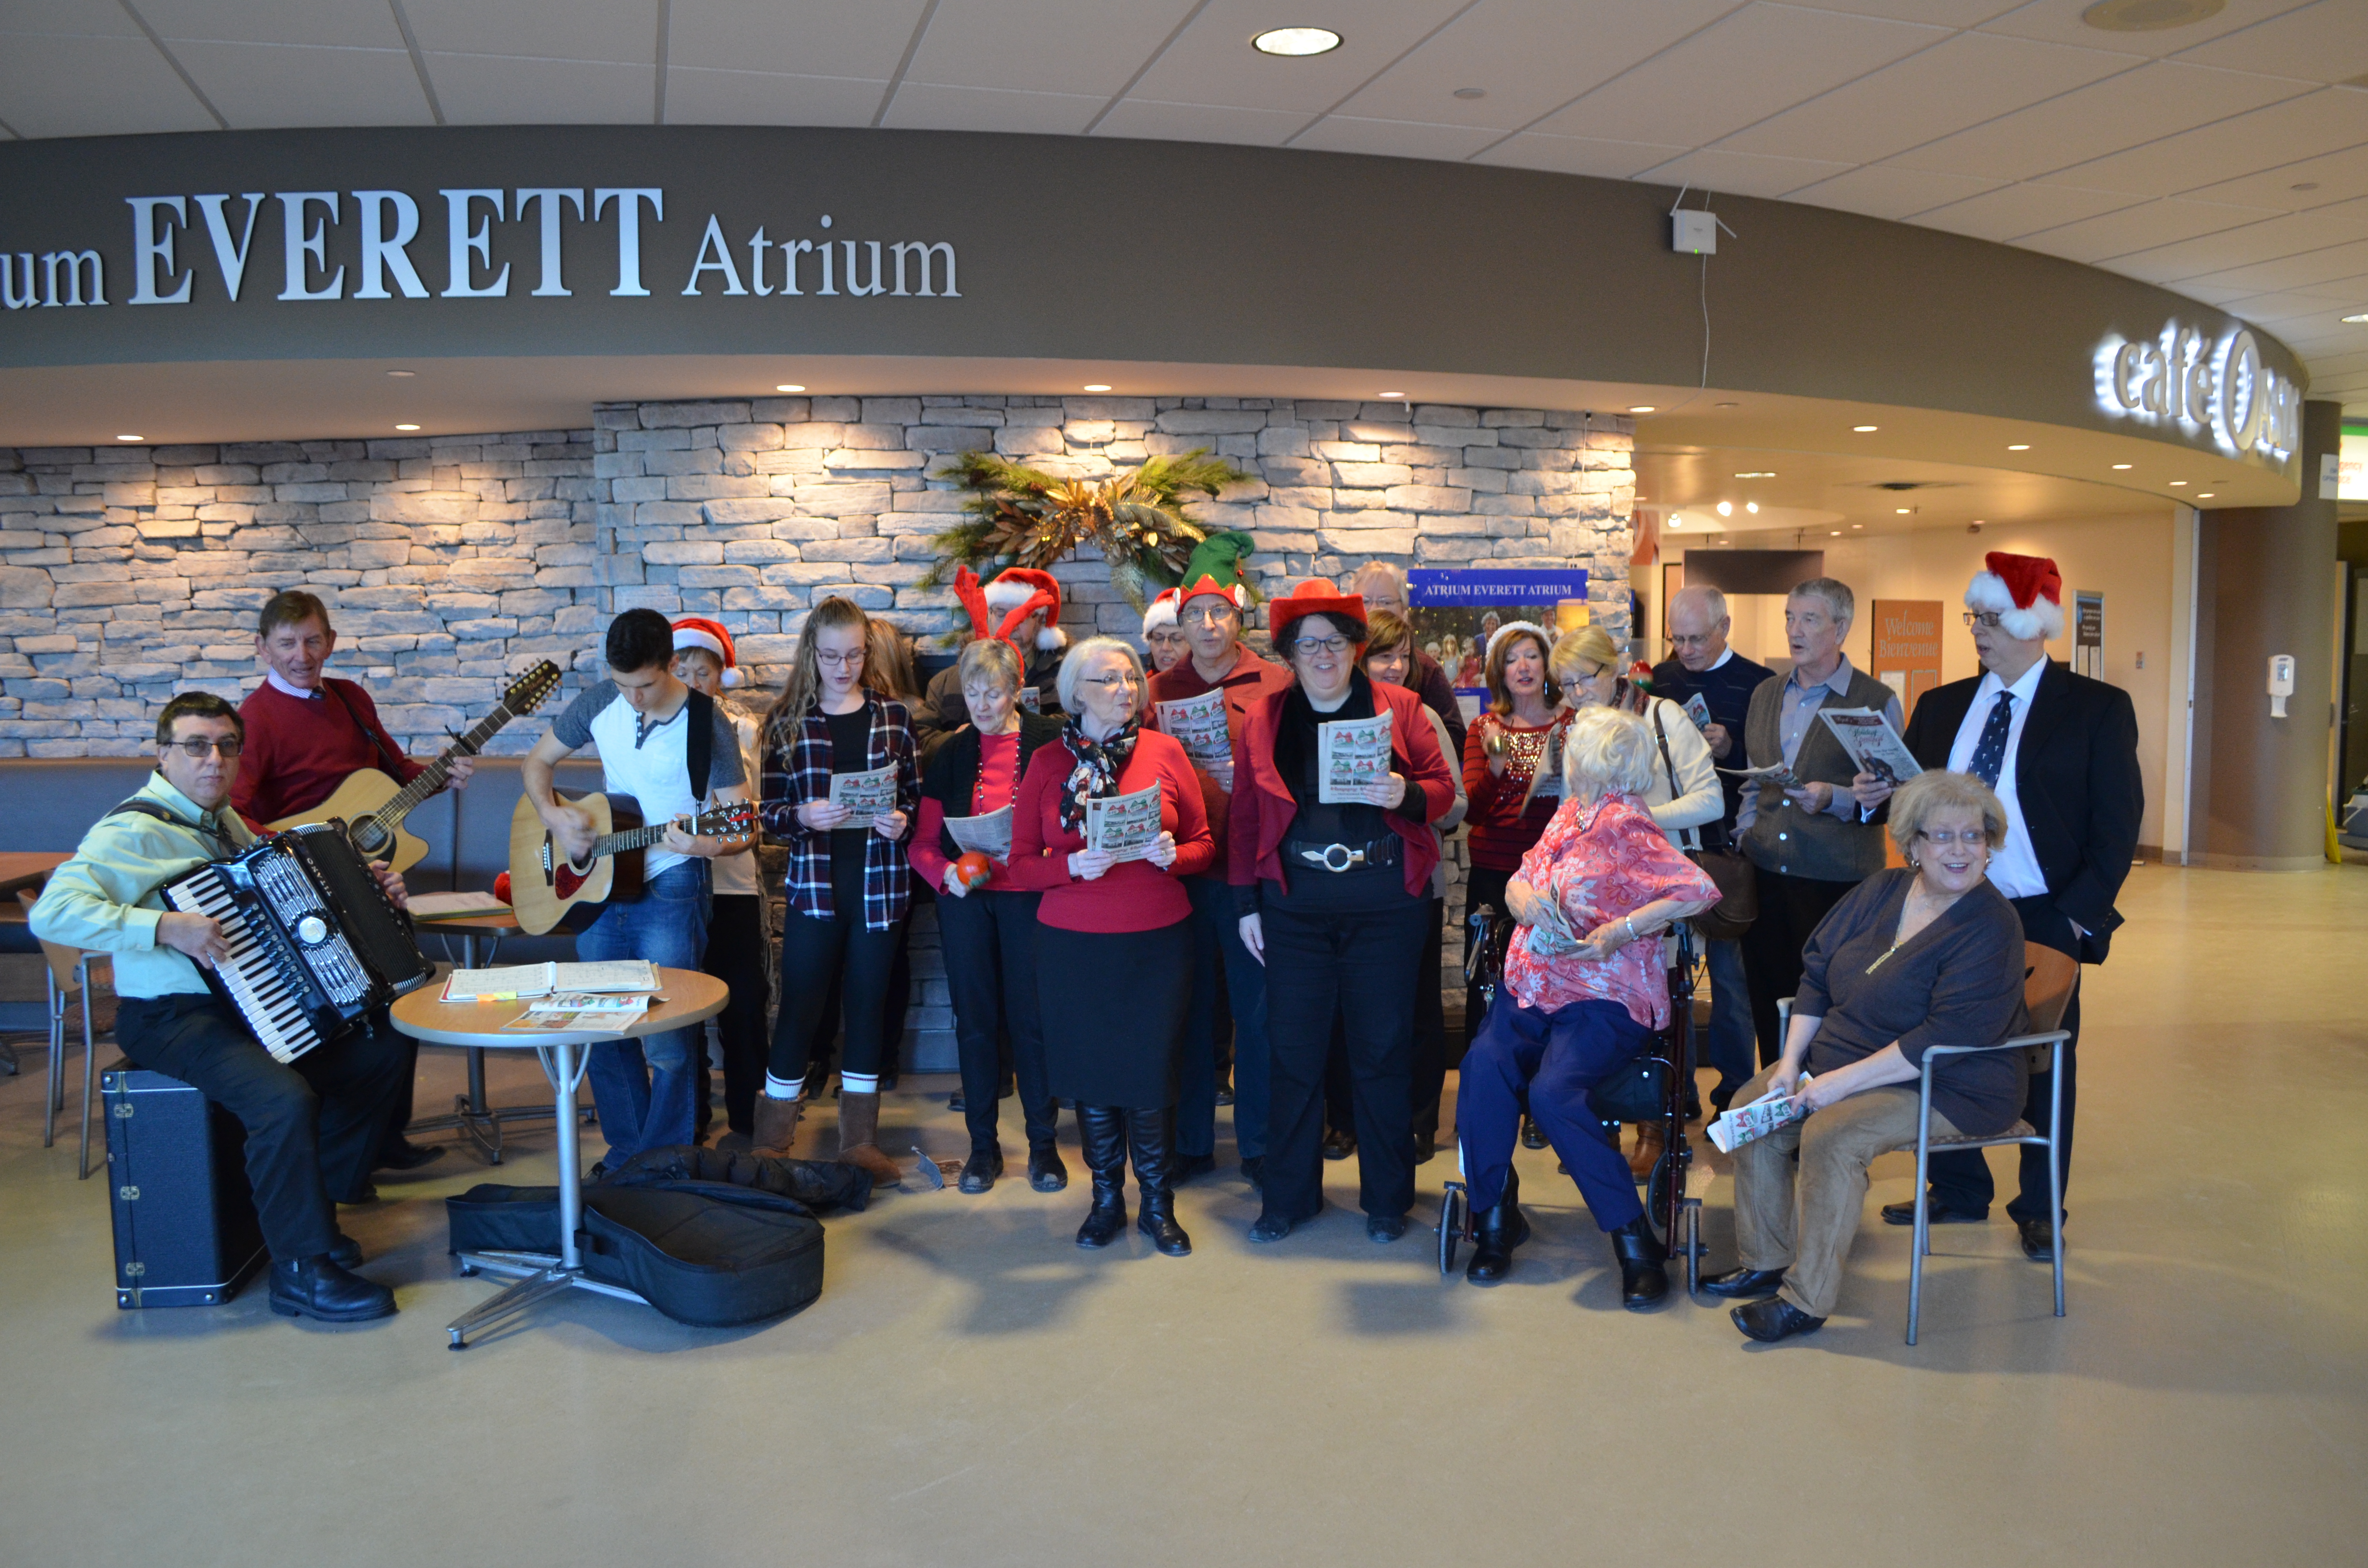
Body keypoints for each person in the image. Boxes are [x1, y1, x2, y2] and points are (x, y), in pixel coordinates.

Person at [31, 692, 415, 1323]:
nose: (214, 760)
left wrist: (367, 885)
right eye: (196, 746)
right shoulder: (132, 829)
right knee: (282, 1100)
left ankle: (317, 1211)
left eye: (227, 746)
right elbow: (53, 911)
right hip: (170, 1015)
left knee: (379, 1049)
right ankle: (302, 1273)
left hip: (244, 1007)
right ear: (163, 755)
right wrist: (162, 927)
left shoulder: (225, 821)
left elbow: (285, 889)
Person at [1860, 553, 2142, 1261]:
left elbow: (2117, 826)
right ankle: (1957, 1189)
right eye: (1974, 619)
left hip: (2041, 912)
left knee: (2043, 1061)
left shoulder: (2097, 709)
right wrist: (1876, 802)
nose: (1977, 633)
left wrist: (2076, 919)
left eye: (1989, 619)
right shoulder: (1944, 705)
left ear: (2029, 623)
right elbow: (1912, 805)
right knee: (1938, 1050)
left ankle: (2042, 1207)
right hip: (1944, 910)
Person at [1702, 770, 2029, 1343]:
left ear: (1989, 844)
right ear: (1913, 844)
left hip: (1950, 1082)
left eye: (1973, 837)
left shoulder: (1991, 925)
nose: (1959, 850)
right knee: (1752, 1105)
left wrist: (1835, 1085)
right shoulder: (1881, 889)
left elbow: (1943, 1036)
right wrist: (1787, 1064)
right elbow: (1818, 973)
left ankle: (1805, 1299)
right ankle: (1765, 1259)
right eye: (1941, 836)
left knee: (1832, 1133)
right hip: (1845, 1063)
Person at [1453, 707, 1719, 1308]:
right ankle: (1494, 1218)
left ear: (1592, 761)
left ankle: (1633, 1241)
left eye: (1571, 747)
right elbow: (1523, 873)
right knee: (1481, 1067)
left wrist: (1622, 930)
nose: (1562, 753)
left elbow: (1697, 890)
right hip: (1535, 984)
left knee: (1552, 1093)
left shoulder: (1628, 823)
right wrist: (1520, 901)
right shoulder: (1568, 812)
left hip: (1605, 995)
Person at [1230, 582, 1457, 1244]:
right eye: (1309, 644)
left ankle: (1387, 1201)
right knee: (1292, 1052)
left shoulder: (1404, 708)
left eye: (1336, 641)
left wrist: (1405, 792)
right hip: (1294, 907)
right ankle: (1289, 1197)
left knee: (1381, 1052)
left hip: (1385, 902)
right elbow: (1246, 818)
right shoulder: (1267, 718)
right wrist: (1246, 903)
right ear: (1290, 654)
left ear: (1356, 648)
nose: (1324, 654)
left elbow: (1443, 792)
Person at [232, 588, 475, 1174]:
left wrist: (444, 774)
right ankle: (343, 1158)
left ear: (331, 642)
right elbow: (234, 812)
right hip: (304, 892)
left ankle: (387, 1139)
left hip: (371, 876)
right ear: (263, 648)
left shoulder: (350, 699)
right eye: (287, 643)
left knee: (405, 991)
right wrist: (304, 858)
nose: (302, 654)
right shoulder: (254, 719)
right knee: (349, 1021)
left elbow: (395, 773)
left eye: (313, 640)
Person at [524, 609, 753, 1174]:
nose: (632, 698)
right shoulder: (601, 699)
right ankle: (627, 1154)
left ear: (672, 664)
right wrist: (554, 818)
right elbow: (538, 763)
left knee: (668, 1036)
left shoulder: (707, 723)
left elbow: (742, 824)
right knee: (604, 1026)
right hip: (601, 880)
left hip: (675, 879)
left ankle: (666, 1159)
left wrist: (704, 847)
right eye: (623, 684)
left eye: (646, 685)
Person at [1008, 637, 1214, 1255]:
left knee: (1151, 1073)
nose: (1125, 689)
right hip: (1073, 944)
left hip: (1156, 942)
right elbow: (1019, 866)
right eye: (1108, 680)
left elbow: (1204, 843)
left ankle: (1157, 1204)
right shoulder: (1047, 763)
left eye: (1130, 678)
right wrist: (1072, 868)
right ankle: (1106, 1202)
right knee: (1091, 1077)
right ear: (1075, 692)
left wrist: (1175, 855)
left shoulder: (1165, 751)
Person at [753, 596, 920, 1186]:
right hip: (815, 889)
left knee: (868, 1011)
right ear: (811, 654)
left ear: (866, 652)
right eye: (830, 656)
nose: (843, 667)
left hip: (878, 887)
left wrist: (901, 820)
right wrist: (802, 814)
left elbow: (913, 801)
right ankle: (771, 1143)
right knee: (799, 1006)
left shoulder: (894, 717)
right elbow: (767, 812)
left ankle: (860, 1142)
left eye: (853, 655)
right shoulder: (785, 721)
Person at [1143, 532, 1291, 1185]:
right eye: (1195, 615)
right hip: (1186, 873)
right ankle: (1194, 1142)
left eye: (1221, 613)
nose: (1208, 625)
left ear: (1239, 617)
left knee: (1258, 1013)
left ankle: (1260, 1144)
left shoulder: (1277, 681)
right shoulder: (1152, 690)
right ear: (1179, 623)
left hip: (1256, 872)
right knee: (1191, 1009)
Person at [1553, 624, 1723, 1177]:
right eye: (1566, 684)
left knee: (1660, 1008)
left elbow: (1710, 799)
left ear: (1614, 669)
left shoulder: (1661, 717)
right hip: (1598, 899)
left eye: (1584, 679)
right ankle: (1600, 1123)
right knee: (1599, 1005)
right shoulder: (1576, 729)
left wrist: (1637, 821)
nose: (1576, 693)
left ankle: (1657, 1128)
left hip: (1657, 888)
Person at [910, 635, 1069, 1195]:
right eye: (973, 693)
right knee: (975, 1025)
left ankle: (1044, 1149)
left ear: (1015, 691)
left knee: (1033, 1023)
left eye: (994, 694)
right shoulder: (949, 753)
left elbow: (1070, 822)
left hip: (1030, 898)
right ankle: (982, 1148)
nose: (982, 705)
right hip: (968, 901)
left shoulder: (1050, 741)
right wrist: (945, 874)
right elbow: (923, 843)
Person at [1735, 578, 1901, 1072]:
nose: (1794, 629)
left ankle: (1821, 1111)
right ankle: (1774, 1112)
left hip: (1837, 883)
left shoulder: (1874, 699)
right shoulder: (1765, 694)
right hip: (1764, 874)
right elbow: (1751, 783)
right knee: (1766, 999)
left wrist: (1836, 799)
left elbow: (1897, 796)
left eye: (1808, 619)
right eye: (1789, 617)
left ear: (1841, 628)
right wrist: (1746, 836)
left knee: (1825, 1007)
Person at [1649, 585, 1775, 1112]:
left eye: (1696, 638)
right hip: (1667, 845)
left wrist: (1732, 747)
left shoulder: (1759, 684)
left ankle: (1734, 1091)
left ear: (1725, 627)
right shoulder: (1659, 679)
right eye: (1676, 638)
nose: (1686, 650)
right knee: (1666, 975)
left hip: (1726, 847)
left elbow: (1773, 765)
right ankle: (1677, 1091)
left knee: (1729, 979)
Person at [1358, 610, 1467, 1163]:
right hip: (1350, 888)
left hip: (1414, 885)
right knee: (1356, 1009)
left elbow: (1457, 806)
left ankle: (1422, 1121)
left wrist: (1410, 796)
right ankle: (1351, 1119)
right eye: (1384, 655)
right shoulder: (1332, 713)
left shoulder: (1421, 713)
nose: (1397, 666)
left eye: (1404, 655)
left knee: (1419, 1008)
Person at [669, 617, 771, 1146]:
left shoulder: (742, 728)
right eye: (680, 670)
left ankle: (748, 1120)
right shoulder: (652, 728)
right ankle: (688, 1117)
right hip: (672, 885)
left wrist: (699, 832)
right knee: (680, 1006)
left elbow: (743, 812)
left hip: (732, 884)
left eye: (701, 671)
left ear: (720, 676)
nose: (690, 681)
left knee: (744, 1002)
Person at [1461, 621, 1569, 1047]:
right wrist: (1496, 766)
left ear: (1547, 662)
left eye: (1532, 655)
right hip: (1496, 873)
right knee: (1492, 982)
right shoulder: (1486, 729)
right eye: (1511, 659)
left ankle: (1545, 1095)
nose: (1523, 666)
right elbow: (1472, 810)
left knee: (1553, 982)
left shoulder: (1573, 723)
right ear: (1498, 673)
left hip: (1557, 875)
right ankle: (1486, 1094)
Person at [913, 567, 1067, 763]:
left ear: (1039, 621)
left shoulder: (1063, 678)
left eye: (1023, 616)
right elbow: (920, 741)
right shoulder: (946, 682)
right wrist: (962, 740)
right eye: (1001, 613)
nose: (1010, 625)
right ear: (989, 615)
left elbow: (1080, 728)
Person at [1347, 562, 1468, 761]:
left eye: (1385, 602)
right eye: (1365, 601)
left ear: (1403, 609)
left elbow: (1455, 739)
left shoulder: (1425, 668)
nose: (1374, 609)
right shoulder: (1339, 663)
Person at [1141, 587, 1188, 674]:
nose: (1166, 648)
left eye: (1177, 639)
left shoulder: (1211, 685)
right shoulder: (1143, 687)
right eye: (1158, 638)